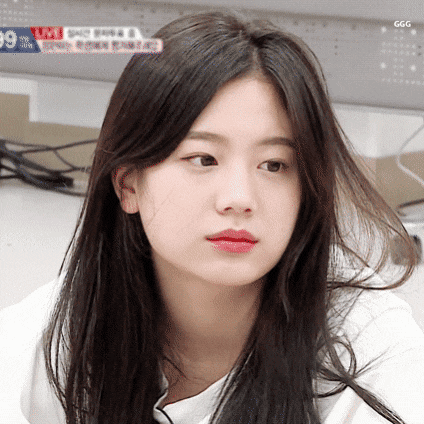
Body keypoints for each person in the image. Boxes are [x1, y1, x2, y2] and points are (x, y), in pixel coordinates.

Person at [1, 10, 423, 424]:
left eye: (274, 165)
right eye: (204, 159)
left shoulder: (370, 347)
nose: (239, 199)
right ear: (129, 185)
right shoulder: (57, 331)